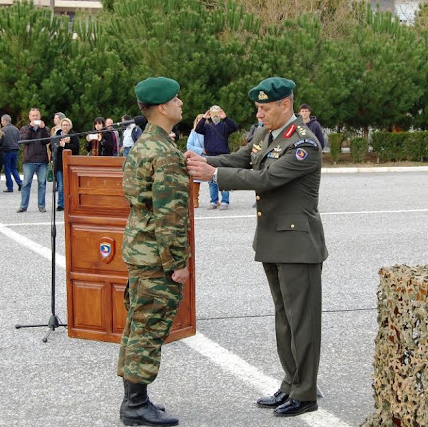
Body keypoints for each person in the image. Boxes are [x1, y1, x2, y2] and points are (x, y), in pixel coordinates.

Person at [186, 77, 327, 419]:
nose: (259, 114)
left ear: (285, 106)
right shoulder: (265, 134)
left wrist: (212, 176)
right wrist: (201, 160)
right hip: (273, 240)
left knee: (302, 321)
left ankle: (305, 392)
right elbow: (239, 159)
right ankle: (291, 382)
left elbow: (266, 178)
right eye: (258, 108)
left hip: (297, 243)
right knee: (284, 318)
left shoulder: (303, 143)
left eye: (265, 108)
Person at [117, 76, 190, 427]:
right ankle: (134, 407)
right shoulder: (163, 152)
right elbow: (170, 214)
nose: (181, 103)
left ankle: (137, 398)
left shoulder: (145, 145)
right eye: (176, 99)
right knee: (148, 328)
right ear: (162, 107)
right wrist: (177, 262)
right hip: (157, 257)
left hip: (139, 248)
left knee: (138, 324)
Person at [195, 105, 238, 210]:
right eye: (213, 113)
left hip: (223, 155)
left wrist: (225, 117)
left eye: (217, 113)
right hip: (210, 156)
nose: (215, 115)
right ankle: (214, 201)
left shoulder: (224, 126)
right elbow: (197, 129)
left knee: (224, 178)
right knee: (212, 180)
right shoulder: (206, 126)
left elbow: (234, 128)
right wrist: (205, 118)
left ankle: (225, 201)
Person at [17, 108, 50, 213]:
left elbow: (47, 141)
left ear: (39, 116)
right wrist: (30, 128)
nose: (35, 117)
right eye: (33, 115)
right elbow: (24, 140)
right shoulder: (24, 128)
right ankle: (23, 205)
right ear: (29, 117)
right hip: (29, 160)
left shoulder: (45, 128)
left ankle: (41, 205)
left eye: (37, 115)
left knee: (42, 183)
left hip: (42, 160)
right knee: (26, 183)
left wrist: (43, 129)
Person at [51, 117, 79, 211]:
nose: (65, 126)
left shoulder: (74, 136)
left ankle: (71, 203)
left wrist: (66, 145)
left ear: (70, 126)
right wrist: (59, 144)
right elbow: (52, 147)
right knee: (61, 185)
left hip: (71, 165)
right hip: (59, 164)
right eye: (63, 125)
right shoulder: (57, 135)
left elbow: (76, 148)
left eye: (67, 125)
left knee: (71, 185)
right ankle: (61, 204)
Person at [186, 114, 205, 208]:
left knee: (213, 180)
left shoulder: (209, 131)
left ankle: (215, 200)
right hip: (197, 157)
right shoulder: (193, 133)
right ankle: (195, 200)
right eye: (198, 120)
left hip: (208, 157)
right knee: (196, 180)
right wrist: (201, 150)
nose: (200, 121)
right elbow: (189, 146)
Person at [1, 114, 22, 192]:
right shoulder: (16, 129)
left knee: (7, 169)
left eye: (2, 121)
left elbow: (2, 141)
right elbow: (18, 139)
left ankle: (10, 187)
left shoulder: (3, 130)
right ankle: (20, 183)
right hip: (15, 150)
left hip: (7, 150)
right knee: (14, 168)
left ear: (5, 121)